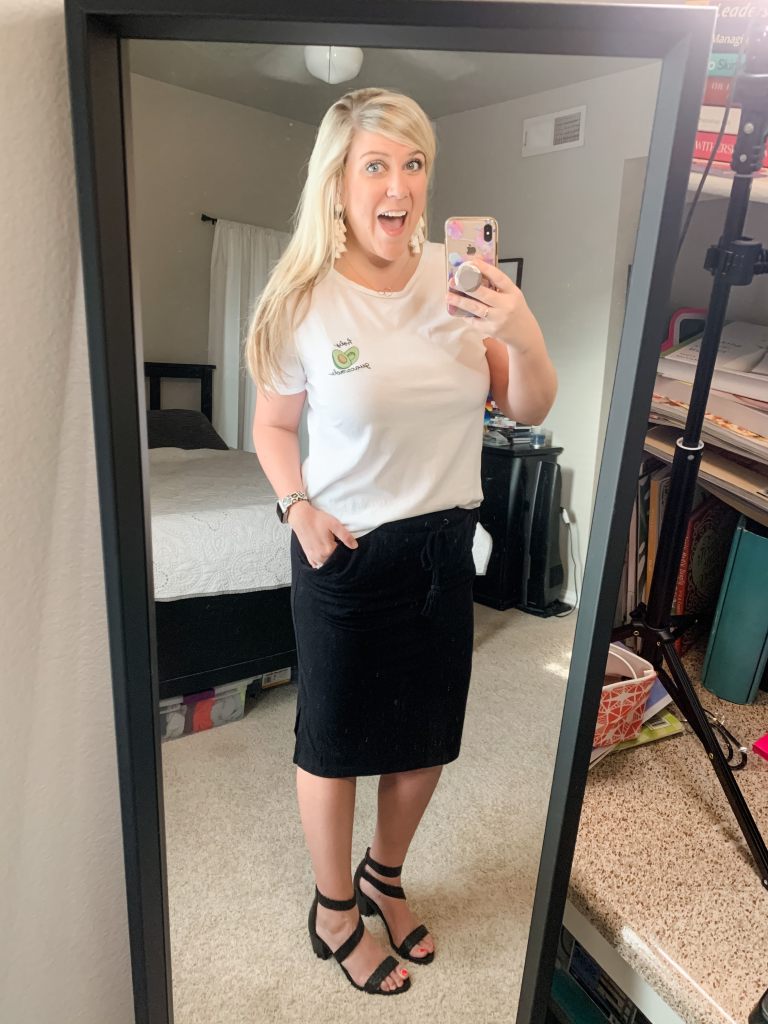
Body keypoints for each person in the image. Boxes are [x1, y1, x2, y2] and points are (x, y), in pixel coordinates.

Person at [247, 87, 556, 997]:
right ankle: (334, 910)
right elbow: (273, 426)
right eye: (375, 164)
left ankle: (384, 876)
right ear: (338, 182)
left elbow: (528, 405)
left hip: (441, 549)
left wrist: (523, 334)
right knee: (334, 743)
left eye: (414, 163)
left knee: (424, 742)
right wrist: (295, 507)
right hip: (344, 551)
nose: (398, 185)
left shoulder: (460, 282)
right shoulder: (302, 298)